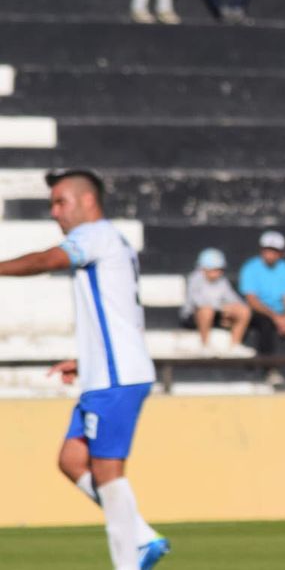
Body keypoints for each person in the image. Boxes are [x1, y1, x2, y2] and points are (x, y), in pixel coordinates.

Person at [0, 169, 169, 569]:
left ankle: (129, 561)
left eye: (61, 202)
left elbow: (46, 259)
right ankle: (143, 538)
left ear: (88, 201)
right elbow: (122, 312)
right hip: (107, 373)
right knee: (72, 460)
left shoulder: (93, 235)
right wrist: (85, 358)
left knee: (109, 474)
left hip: (115, 379)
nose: (55, 212)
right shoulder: (112, 241)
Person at [240, 230, 285, 362]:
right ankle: (268, 369)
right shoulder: (250, 268)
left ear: (282, 253)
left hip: (281, 314)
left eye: (274, 251)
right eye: (267, 250)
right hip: (259, 313)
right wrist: (275, 317)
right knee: (265, 324)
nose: (270, 254)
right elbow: (252, 300)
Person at [180, 247, 251, 347]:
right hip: (193, 317)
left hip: (216, 315)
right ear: (205, 268)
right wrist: (223, 309)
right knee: (207, 311)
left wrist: (230, 312)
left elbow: (234, 299)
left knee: (243, 311)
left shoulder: (222, 281)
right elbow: (198, 303)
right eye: (215, 269)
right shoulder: (195, 278)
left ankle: (235, 345)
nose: (219, 272)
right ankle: (205, 346)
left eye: (220, 269)